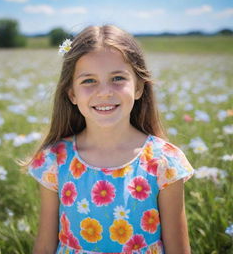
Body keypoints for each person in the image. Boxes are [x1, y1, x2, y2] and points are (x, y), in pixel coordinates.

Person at [26, 24, 194, 254]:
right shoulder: (55, 160)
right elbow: (45, 246)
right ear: (72, 94)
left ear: (138, 88)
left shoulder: (165, 162)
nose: (104, 92)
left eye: (117, 78)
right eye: (88, 81)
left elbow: (179, 250)